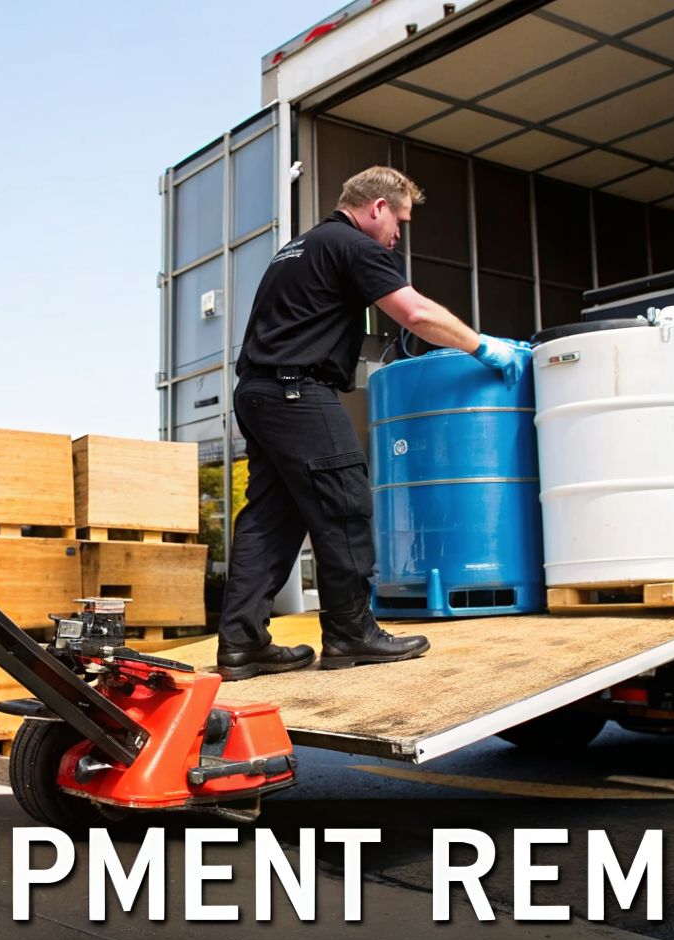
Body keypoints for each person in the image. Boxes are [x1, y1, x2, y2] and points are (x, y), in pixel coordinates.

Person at [216, 166, 528, 681]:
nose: (398, 236)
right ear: (377, 207)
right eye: (399, 221)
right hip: (297, 391)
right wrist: (482, 345)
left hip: (258, 392)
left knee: (272, 519)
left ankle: (242, 645)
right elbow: (416, 313)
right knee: (345, 504)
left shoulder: (300, 247)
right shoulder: (355, 246)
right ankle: (351, 633)